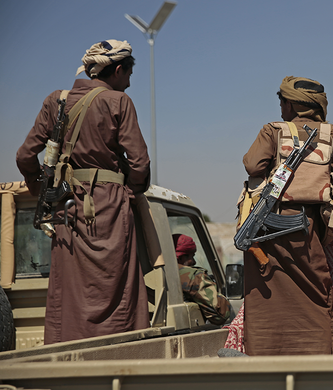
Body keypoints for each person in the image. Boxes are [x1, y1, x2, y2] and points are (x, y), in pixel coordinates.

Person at [16, 40, 151, 344]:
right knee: (118, 293)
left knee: (70, 295)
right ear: (117, 70)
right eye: (128, 75)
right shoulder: (118, 102)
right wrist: (127, 193)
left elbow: (25, 156)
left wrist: (44, 191)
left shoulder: (56, 101)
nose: (128, 84)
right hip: (111, 209)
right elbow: (139, 163)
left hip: (65, 208)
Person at [241, 76, 333, 355]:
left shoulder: (273, 130)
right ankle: (318, 362)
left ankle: (266, 360)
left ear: (293, 104)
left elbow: (252, 165)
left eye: (283, 101)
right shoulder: (331, 133)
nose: (281, 106)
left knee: (264, 295)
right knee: (315, 294)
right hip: (306, 227)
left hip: (268, 230)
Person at [172, 234, 231, 325]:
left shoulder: (152, 274)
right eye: (191, 256)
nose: (194, 262)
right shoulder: (193, 277)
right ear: (180, 257)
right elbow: (221, 314)